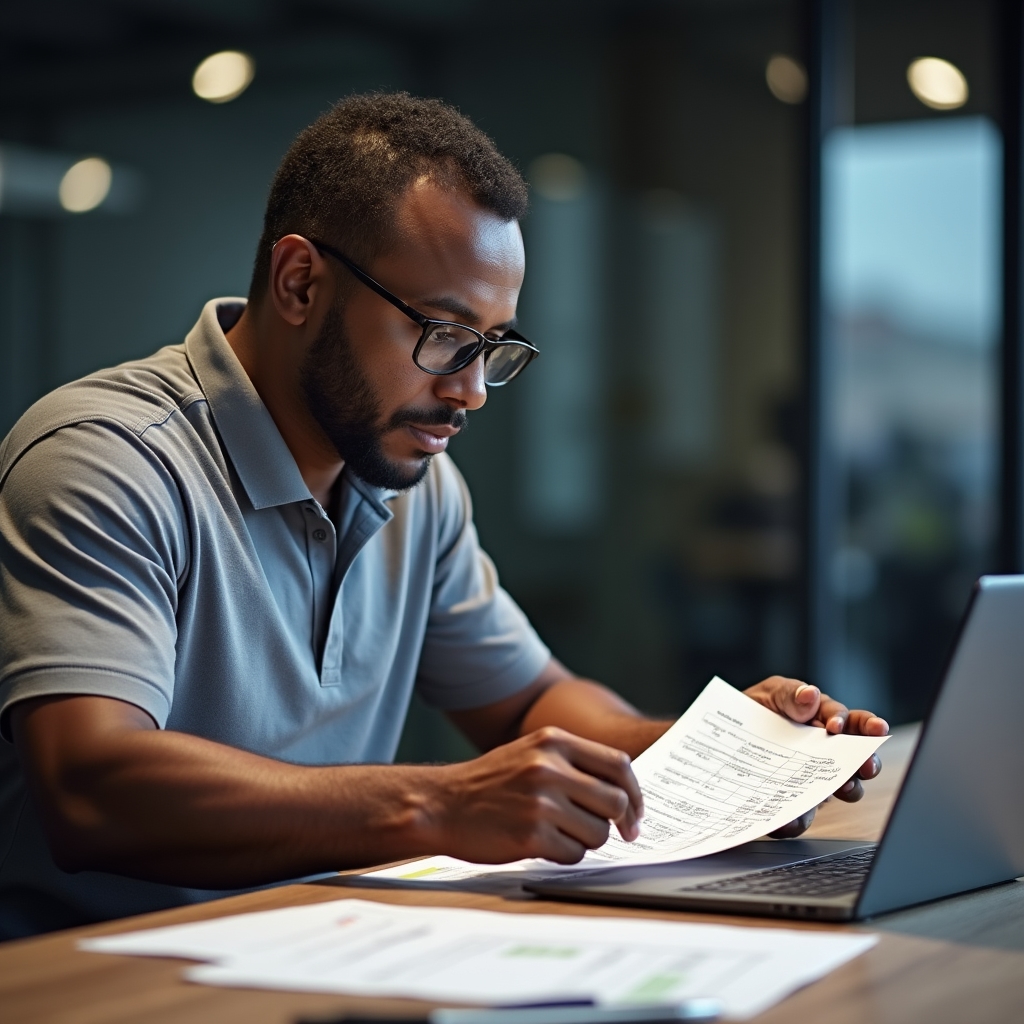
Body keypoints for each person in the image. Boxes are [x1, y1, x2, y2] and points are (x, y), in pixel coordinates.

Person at [0, 93, 887, 940]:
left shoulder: (413, 485)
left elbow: (530, 705)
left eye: (494, 347)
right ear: (301, 283)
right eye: (444, 334)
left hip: (312, 947)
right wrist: (439, 803)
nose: (470, 390)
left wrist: (730, 757)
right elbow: (91, 786)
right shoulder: (106, 457)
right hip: (92, 972)